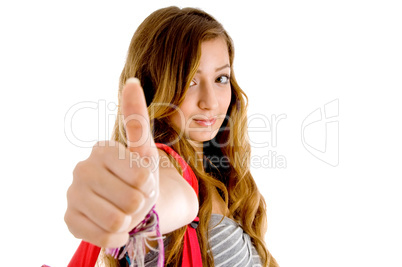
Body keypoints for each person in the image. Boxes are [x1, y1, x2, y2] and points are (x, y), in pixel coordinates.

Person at [64, 6, 279, 267]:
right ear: (153, 88)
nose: (210, 102)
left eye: (221, 78)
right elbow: (168, 194)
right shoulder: (167, 165)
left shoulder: (227, 181)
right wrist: (139, 206)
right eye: (190, 81)